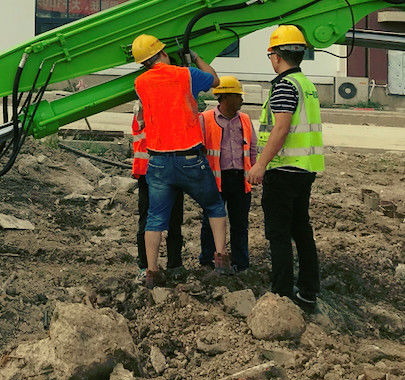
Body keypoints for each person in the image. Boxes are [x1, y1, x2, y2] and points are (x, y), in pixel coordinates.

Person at [131, 33, 229, 288]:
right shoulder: (186, 75)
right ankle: (221, 260)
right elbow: (215, 80)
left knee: (155, 218)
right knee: (214, 206)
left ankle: (152, 271)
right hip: (190, 158)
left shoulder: (140, 83)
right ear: (163, 52)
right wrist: (195, 58)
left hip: (158, 161)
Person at [247, 25, 324, 312]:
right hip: (305, 169)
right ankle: (308, 292)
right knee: (301, 230)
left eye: (271, 55)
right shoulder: (306, 85)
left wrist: (260, 164)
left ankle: (281, 294)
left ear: (277, 56)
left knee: (278, 234)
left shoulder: (284, 86)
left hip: (283, 170)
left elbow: (281, 129)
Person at [199, 76, 257, 273]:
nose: (241, 100)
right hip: (215, 180)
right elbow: (199, 150)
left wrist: (254, 170)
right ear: (225, 97)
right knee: (210, 222)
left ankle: (241, 262)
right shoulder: (205, 119)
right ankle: (207, 259)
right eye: (238, 96)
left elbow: (252, 148)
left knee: (240, 224)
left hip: (240, 179)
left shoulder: (245, 120)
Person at [131, 109, 186, 281]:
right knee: (164, 220)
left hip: (161, 172)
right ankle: (155, 266)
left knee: (169, 220)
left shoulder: (150, 108)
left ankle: (164, 266)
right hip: (156, 172)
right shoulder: (148, 110)